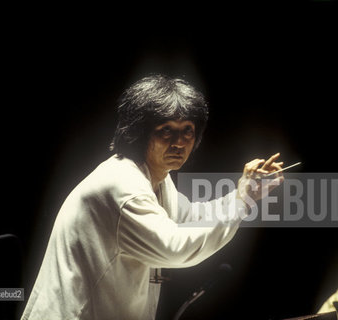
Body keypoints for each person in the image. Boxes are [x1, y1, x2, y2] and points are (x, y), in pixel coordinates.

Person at [21, 74, 284, 320]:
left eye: (188, 131)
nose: (179, 142)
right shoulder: (123, 185)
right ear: (140, 133)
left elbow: (191, 217)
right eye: (166, 130)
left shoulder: (154, 177)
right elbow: (175, 248)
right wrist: (239, 202)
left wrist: (247, 195)